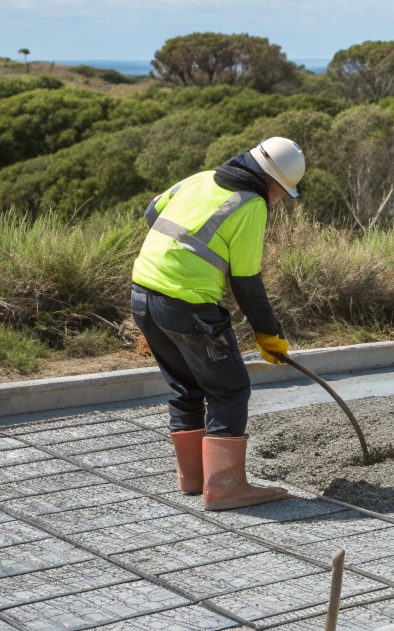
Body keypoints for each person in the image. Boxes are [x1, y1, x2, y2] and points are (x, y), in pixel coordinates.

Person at [130, 136, 304, 511]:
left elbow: (151, 211)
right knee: (230, 389)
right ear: (270, 180)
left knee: (187, 387)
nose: (278, 200)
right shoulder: (251, 203)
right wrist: (269, 335)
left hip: (143, 292)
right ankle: (225, 488)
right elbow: (247, 283)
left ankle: (194, 480)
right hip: (185, 304)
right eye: (282, 192)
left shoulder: (202, 178)